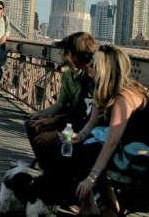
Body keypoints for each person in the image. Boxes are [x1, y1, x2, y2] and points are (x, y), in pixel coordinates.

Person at [69, 45, 149, 216]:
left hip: (144, 152)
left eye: (94, 64)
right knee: (77, 148)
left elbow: (112, 142)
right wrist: (79, 136)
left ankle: (111, 207)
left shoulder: (125, 96)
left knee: (89, 153)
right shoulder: (102, 88)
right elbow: (92, 123)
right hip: (126, 145)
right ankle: (93, 205)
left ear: (105, 69)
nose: (88, 65)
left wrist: (91, 178)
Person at [25, 32, 97, 172]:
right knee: (34, 124)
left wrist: (58, 130)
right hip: (81, 124)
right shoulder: (82, 77)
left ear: (72, 55)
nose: (60, 53)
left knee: (60, 143)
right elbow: (80, 112)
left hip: (97, 133)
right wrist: (48, 118)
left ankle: (56, 177)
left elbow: (91, 117)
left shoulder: (93, 79)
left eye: (63, 50)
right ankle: (50, 172)